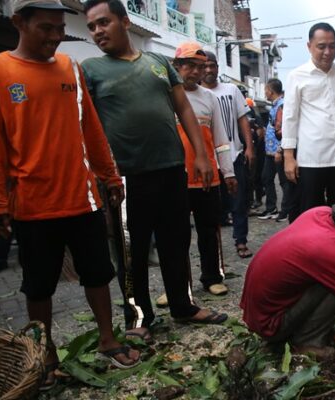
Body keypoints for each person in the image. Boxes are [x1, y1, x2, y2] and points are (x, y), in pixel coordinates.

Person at [0, 0, 141, 387]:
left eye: (60, 28)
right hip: (32, 204)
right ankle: (45, 353)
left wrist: (109, 176)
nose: (55, 37)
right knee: (39, 284)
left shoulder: (70, 68)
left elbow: (91, 130)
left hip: (82, 198)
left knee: (98, 274)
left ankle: (108, 338)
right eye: (45, 28)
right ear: (19, 22)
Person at [82, 0, 226, 344]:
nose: (98, 31)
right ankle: (138, 316)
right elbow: (83, 122)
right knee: (132, 251)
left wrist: (202, 157)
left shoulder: (160, 63)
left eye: (104, 22)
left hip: (172, 170)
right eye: (91, 27)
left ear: (124, 21)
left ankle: (183, 305)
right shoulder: (91, 69)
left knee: (176, 242)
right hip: (125, 178)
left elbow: (184, 109)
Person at [240, 186, 335, 357]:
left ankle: (310, 333)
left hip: (256, 313)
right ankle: (308, 344)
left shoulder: (320, 213)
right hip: (270, 325)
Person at [282, 22, 335, 217]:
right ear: (309, 46)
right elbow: (290, 118)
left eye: (332, 46)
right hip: (311, 159)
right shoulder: (297, 76)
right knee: (311, 214)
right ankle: (311, 249)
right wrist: (288, 156)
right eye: (322, 46)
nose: (328, 52)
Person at [173, 41, 237, 296]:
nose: (196, 72)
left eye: (200, 67)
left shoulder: (209, 98)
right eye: (190, 66)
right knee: (176, 236)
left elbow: (221, 139)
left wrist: (228, 172)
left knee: (209, 231)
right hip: (176, 178)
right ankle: (179, 285)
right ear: (177, 66)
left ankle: (212, 276)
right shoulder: (168, 95)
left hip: (208, 178)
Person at [201, 51, 255, 259]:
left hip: (234, 155)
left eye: (212, 65)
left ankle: (241, 241)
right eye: (204, 66)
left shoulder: (231, 90)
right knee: (213, 207)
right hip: (209, 160)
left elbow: (243, 120)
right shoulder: (195, 94)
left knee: (239, 202)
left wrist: (249, 148)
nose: (208, 70)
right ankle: (214, 249)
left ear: (217, 67)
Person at [259, 78, 286, 220]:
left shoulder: (282, 106)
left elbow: (284, 130)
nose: (265, 93)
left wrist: (280, 150)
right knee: (266, 178)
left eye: (266, 90)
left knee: (283, 181)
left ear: (271, 90)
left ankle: (285, 211)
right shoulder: (274, 106)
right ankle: (271, 208)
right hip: (269, 151)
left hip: (278, 151)